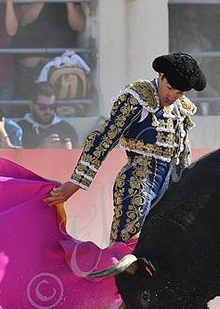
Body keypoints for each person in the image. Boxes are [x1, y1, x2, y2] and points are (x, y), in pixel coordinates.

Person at [44, 52, 206, 243]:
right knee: (125, 248)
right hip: (138, 184)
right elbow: (104, 139)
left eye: (179, 93)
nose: (173, 96)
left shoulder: (181, 107)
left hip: (170, 187)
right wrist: (75, 183)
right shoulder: (138, 98)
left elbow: (182, 153)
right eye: (170, 88)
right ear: (161, 75)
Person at [13, 0, 86, 105]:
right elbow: (23, 20)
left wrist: (68, 1)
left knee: (55, 113)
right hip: (29, 73)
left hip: (59, 73)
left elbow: (79, 26)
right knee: (29, 111)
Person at [18, 81, 79, 148]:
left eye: (52, 107)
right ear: (31, 105)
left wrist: (69, 152)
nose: (48, 111)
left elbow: (80, 157)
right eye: (43, 107)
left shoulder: (67, 129)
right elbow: (15, 158)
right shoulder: (19, 129)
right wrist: (41, 148)